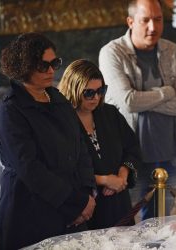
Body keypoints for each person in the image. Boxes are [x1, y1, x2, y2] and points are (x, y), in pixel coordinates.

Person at [0, 33, 96, 250]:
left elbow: (82, 148)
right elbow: (30, 169)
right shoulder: (10, 109)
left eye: (55, 63)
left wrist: (87, 193)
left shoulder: (58, 98)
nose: (51, 70)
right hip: (30, 213)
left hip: (72, 209)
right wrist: (76, 203)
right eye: (43, 65)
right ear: (24, 67)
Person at [99, 0, 176, 220]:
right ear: (130, 22)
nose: (153, 27)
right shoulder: (112, 53)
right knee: (126, 224)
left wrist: (144, 97)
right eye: (145, 20)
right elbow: (128, 101)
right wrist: (167, 92)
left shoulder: (174, 52)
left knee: (162, 223)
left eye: (158, 19)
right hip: (129, 159)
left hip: (167, 154)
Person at [58, 59, 142, 229]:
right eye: (88, 93)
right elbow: (62, 169)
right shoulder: (61, 121)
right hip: (83, 208)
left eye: (101, 91)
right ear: (73, 89)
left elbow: (132, 148)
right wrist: (105, 180)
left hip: (117, 204)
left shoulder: (109, 113)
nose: (96, 97)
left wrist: (122, 175)